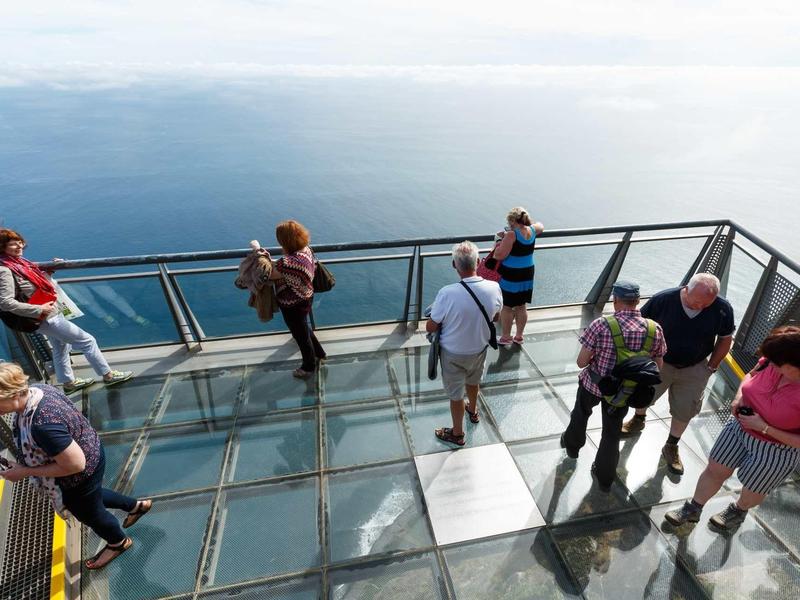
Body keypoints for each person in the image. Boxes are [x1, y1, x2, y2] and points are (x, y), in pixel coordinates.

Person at [0, 362, 151, 569]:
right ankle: (136, 506)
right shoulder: (40, 390)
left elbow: (75, 465)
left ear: (11, 394)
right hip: (92, 450)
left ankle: (118, 543)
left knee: (90, 513)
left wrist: (24, 471)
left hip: (80, 472)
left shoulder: (41, 424)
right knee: (92, 496)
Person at [665, 326, 800, 530]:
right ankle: (693, 508)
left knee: (753, 488)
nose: (770, 363)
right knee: (715, 468)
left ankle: (738, 510)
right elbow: (750, 375)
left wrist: (764, 428)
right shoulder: (769, 362)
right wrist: (739, 398)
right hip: (739, 428)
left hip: (777, 448)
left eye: (776, 362)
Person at [620, 273, 735, 475]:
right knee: (644, 395)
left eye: (706, 304)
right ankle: (639, 419)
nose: (700, 307)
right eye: (696, 301)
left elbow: (725, 339)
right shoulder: (663, 300)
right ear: (686, 289)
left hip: (696, 366)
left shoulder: (722, 309)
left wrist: (711, 367)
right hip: (660, 361)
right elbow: (640, 326)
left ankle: (671, 445)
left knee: (686, 408)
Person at [561, 281, 666, 491]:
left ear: (616, 300)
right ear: (637, 301)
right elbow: (658, 367)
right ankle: (604, 476)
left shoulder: (601, 325)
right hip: (624, 392)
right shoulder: (654, 329)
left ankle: (573, 447)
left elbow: (581, 362)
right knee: (611, 433)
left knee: (581, 413)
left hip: (594, 384)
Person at [0, 228, 133, 393]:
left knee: (61, 345)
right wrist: (39, 309)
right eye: (13, 244)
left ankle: (68, 383)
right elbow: (5, 303)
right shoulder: (4, 269)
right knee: (87, 341)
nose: (19, 246)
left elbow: (29, 284)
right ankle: (109, 376)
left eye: (20, 242)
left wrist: (51, 269)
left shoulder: (18, 263)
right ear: (2, 247)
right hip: (44, 316)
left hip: (45, 314)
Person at [427, 241, 502, 446]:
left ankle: (457, 434)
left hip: (453, 354)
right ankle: (473, 410)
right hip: (479, 349)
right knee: (473, 381)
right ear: (478, 262)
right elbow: (496, 318)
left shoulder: (447, 293)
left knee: (456, 395)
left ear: (454, 265)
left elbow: (431, 326)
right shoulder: (494, 287)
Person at [269, 220, 326, 378]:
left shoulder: (287, 263)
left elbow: (270, 274)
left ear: (285, 241)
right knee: (303, 328)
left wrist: (260, 258)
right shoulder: (306, 250)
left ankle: (308, 367)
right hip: (306, 296)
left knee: (300, 335)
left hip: (292, 303)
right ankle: (319, 353)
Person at [492, 207, 544, 346]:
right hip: (527, 272)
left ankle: (506, 337)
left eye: (510, 223)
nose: (509, 226)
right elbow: (541, 226)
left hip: (511, 274)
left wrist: (498, 240)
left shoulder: (511, 235)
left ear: (513, 221)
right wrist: (530, 225)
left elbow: (499, 255)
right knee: (521, 305)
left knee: (507, 307)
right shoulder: (532, 231)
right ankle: (519, 336)